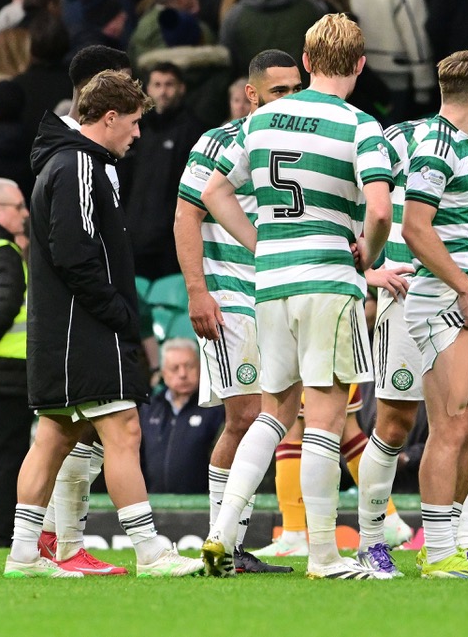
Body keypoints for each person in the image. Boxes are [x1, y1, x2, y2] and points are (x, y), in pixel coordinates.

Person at [200, 13, 393, 581]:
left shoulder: (259, 121)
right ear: (360, 64)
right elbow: (381, 210)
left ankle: (222, 531)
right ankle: (324, 556)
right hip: (327, 282)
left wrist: (262, 244)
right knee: (325, 418)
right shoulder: (360, 125)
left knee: (274, 412)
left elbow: (214, 191)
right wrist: (368, 253)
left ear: (306, 62)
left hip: (269, 283)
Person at [5, 71, 205, 578]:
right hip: (85, 328)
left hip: (63, 330)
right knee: (124, 430)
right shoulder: (78, 163)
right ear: (110, 117)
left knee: (54, 436)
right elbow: (75, 253)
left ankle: (23, 553)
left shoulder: (65, 161)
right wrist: (119, 313)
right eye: (133, 123)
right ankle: (150, 550)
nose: (137, 134)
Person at [356, 48, 468, 579]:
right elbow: (377, 209)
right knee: (397, 423)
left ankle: (449, 539)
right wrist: (368, 269)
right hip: (415, 295)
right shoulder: (409, 140)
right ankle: (372, 540)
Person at [174, 48, 302, 573]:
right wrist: (197, 291)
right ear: (252, 94)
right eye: (278, 91)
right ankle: (222, 540)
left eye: (296, 89)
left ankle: (230, 544)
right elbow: (185, 216)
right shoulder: (219, 142)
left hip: (282, 295)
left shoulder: (302, 142)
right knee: (246, 418)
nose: (289, 99)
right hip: (230, 298)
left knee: (275, 418)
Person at [121, 62, 207, 281]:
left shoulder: (194, 131)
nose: (163, 91)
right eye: (157, 85)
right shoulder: (136, 129)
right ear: (148, 89)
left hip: (171, 243)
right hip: (133, 237)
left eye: (169, 84)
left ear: (181, 88)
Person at [0, 177, 28, 548]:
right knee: (6, 461)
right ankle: (4, 537)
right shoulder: (2, 250)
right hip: (6, 373)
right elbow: (3, 307)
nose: (25, 213)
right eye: (18, 207)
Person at [139, 339, 225, 494]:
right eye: (175, 368)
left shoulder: (216, 409)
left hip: (202, 502)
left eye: (189, 366)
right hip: (152, 501)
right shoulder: (149, 409)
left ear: (200, 368)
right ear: (163, 372)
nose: (183, 374)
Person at [220, 0, 324, 75]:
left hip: (255, 85)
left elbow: (228, 59)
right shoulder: (311, 8)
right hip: (303, 85)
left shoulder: (235, 16)